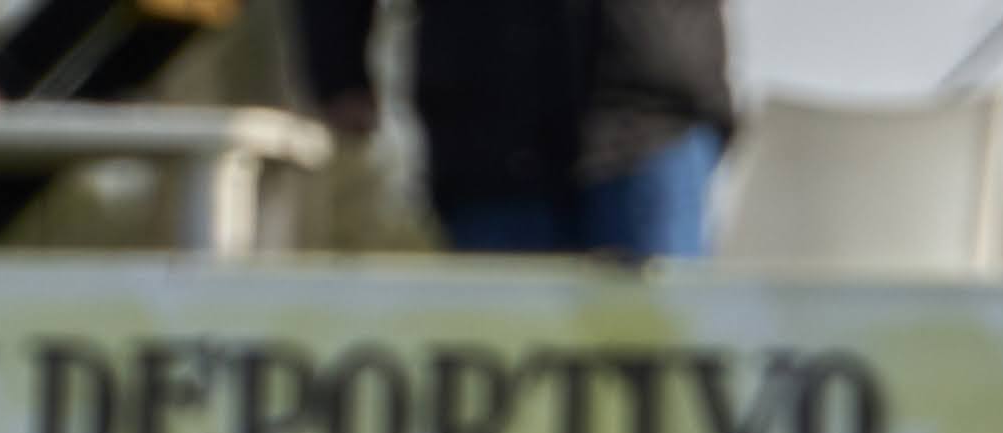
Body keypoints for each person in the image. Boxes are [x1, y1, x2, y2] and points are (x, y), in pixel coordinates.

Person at [299, 0, 732, 262]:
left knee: (663, 364)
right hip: (489, 128)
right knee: (509, 371)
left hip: (653, 115)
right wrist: (337, 64)